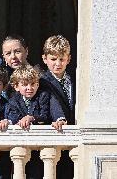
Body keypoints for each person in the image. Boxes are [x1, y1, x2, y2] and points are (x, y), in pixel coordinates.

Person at [40, 35, 75, 179]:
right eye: (53, 59)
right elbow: (51, 102)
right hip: (55, 136)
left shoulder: (75, 78)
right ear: (45, 59)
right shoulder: (42, 82)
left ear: (69, 59)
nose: (58, 63)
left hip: (74, 137)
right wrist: (59, 118)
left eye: (62, 59)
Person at [6, 64, 51, 128]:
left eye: (32, 84)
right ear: (16, 87)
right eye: (25, 84)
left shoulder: (43, 96)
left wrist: (32, 118)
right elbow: (14, 117)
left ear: (37, 85)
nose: (29, 88)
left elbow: (45, 116)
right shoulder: (14, 100)